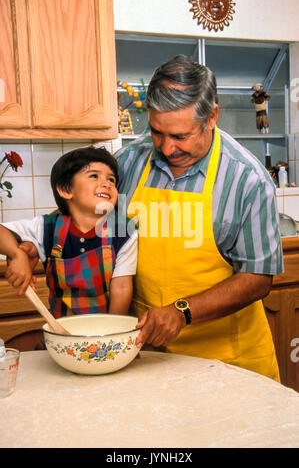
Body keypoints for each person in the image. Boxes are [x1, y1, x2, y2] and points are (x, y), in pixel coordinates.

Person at [113, 54, 283, 382]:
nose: (165, 148)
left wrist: (182, 312)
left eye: (180, 135)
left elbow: (259, 276)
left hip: (230, 364)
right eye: (157, 132)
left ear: (212, 117)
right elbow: (92, 225)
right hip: (148, 359)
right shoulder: (129, 163)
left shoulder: (247, 179)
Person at [0, 146, 137, 318]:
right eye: (94, 176)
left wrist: (114, 333)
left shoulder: (124, 231)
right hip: (61, 334)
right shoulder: (47, 227)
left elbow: (122, 286)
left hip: (108, 333)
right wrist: (16, 253)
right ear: (66, 190)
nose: (106, 184)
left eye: (112, 180)